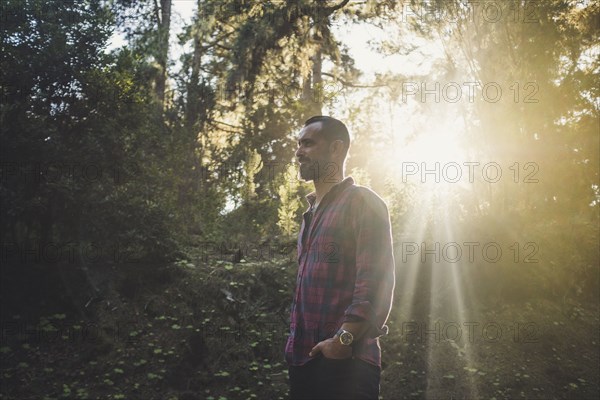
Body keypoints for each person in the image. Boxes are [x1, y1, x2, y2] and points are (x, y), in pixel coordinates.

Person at [285, 116, 396, 399]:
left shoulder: (362, 202)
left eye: (308, 143)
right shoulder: (308, 215)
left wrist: (343, 340)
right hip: (302, 362)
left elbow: (375, 283)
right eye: (298, 144)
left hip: (347, 365)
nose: (298, 151)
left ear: (336, 149)